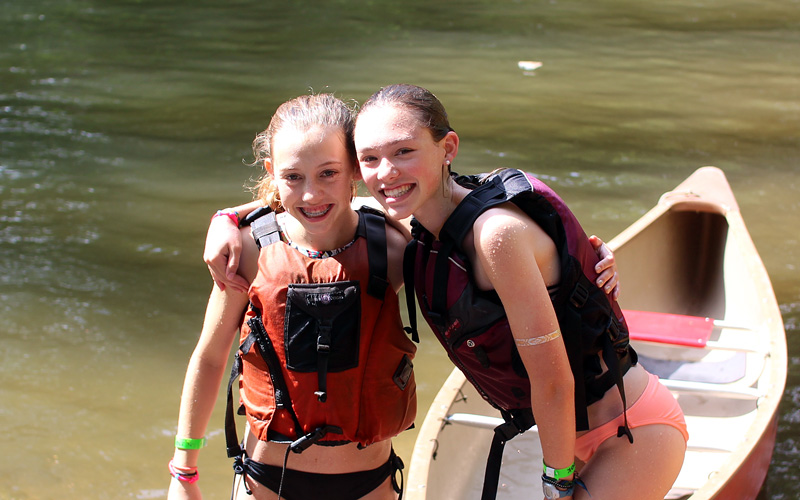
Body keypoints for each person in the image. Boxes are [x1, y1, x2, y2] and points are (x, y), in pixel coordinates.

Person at [203, 87, 661, 500]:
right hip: (561, 428)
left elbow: (554, 380)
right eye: (371, 159)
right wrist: (227, 216)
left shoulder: (480, 234)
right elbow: (306, 202)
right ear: (358, 172)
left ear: (448, 149)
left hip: (624, 427)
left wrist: (556, 482)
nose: (387, 172)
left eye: (404, 151)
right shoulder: (409, 223)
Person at [168, 93, 416, 500]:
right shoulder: (247, 251)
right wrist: (184, 470)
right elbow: (210, 358)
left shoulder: (393, 249)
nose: (311, 195)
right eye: (293, 177)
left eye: (328, 173)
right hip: (266, 481)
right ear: (272, 172)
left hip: (369, 483)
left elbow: (439, 203)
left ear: (354, 167)